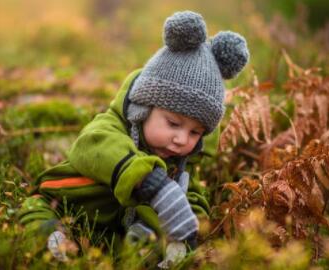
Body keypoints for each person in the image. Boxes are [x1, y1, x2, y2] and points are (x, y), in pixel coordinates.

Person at [18, 10, 249, 264]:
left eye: (195, 132)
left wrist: (190, 227)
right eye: (173, 123)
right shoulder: (110, 128)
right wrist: (150, 180)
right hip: (61, 204)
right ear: (143, 109)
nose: (182, 139)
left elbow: (191, 196)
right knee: (39, 218)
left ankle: (144, 248)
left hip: (110, 232)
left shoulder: (179, 163)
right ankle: (53, 243)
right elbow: (92, 145)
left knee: (157, 240)